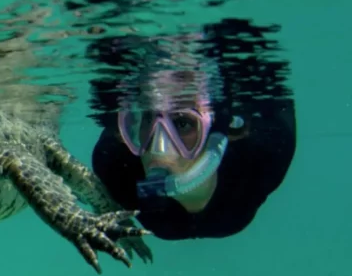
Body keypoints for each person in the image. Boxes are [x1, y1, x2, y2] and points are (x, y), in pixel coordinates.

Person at [89, 39, 297, 242]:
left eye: (182, 124)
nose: (157, 146)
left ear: (222, 134)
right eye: (148, 118)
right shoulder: (116, 165)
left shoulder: (264, 158)